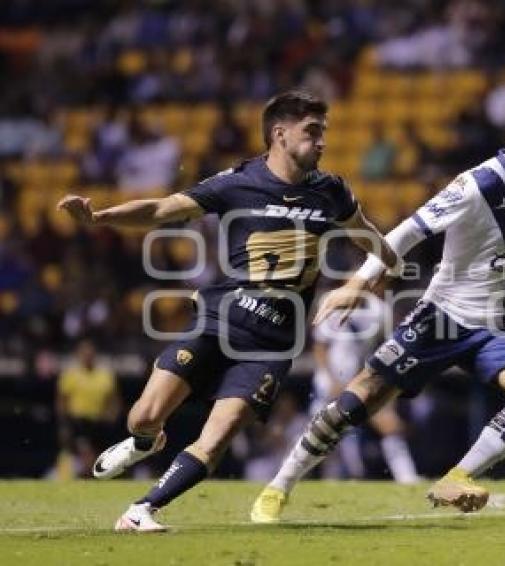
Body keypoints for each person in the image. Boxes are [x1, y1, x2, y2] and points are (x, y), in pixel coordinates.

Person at [57, 90, 399, 532]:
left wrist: (371, 277)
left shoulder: (332, 192)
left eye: (323, 133)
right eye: (311, 132)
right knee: (142, 416)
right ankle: (145, 441)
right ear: (279, 134)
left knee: (218, 437)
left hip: (272, 345)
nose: (321, 143)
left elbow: (370, 239)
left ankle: (142, 510)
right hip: (219, 322)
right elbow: (163, 209)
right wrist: (101, 218)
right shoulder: (237, 183)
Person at [251, 99, 505, 521]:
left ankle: (458, 475)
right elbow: (407, 232)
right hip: (442, 318)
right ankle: (279, 487)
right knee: (361, 398)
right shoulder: (477, 185)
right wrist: (357, 283)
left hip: (499, 327)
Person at [310, 293, 418, 484]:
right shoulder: (334, 306)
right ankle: (331, 478)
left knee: (389, 425)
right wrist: (332, 379)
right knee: (323, 433)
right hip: (328, 383)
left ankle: (407, 476)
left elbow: (387, 345)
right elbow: (320, 348)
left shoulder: (379, 310)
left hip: (361, 379)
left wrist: (380, 384)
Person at [55, 339, 122, 478]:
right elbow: (62, 401)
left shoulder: (105, 375)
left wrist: (112, 416)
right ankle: (82, 476)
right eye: (84, 353)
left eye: (90, 353)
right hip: (78, 422)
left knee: (99, 454)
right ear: (78, 354)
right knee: (86, 453)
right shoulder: (71, 374)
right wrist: (64, 424)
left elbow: (114, 400)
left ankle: (91, 477)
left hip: (100, 422)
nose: (87, 356)